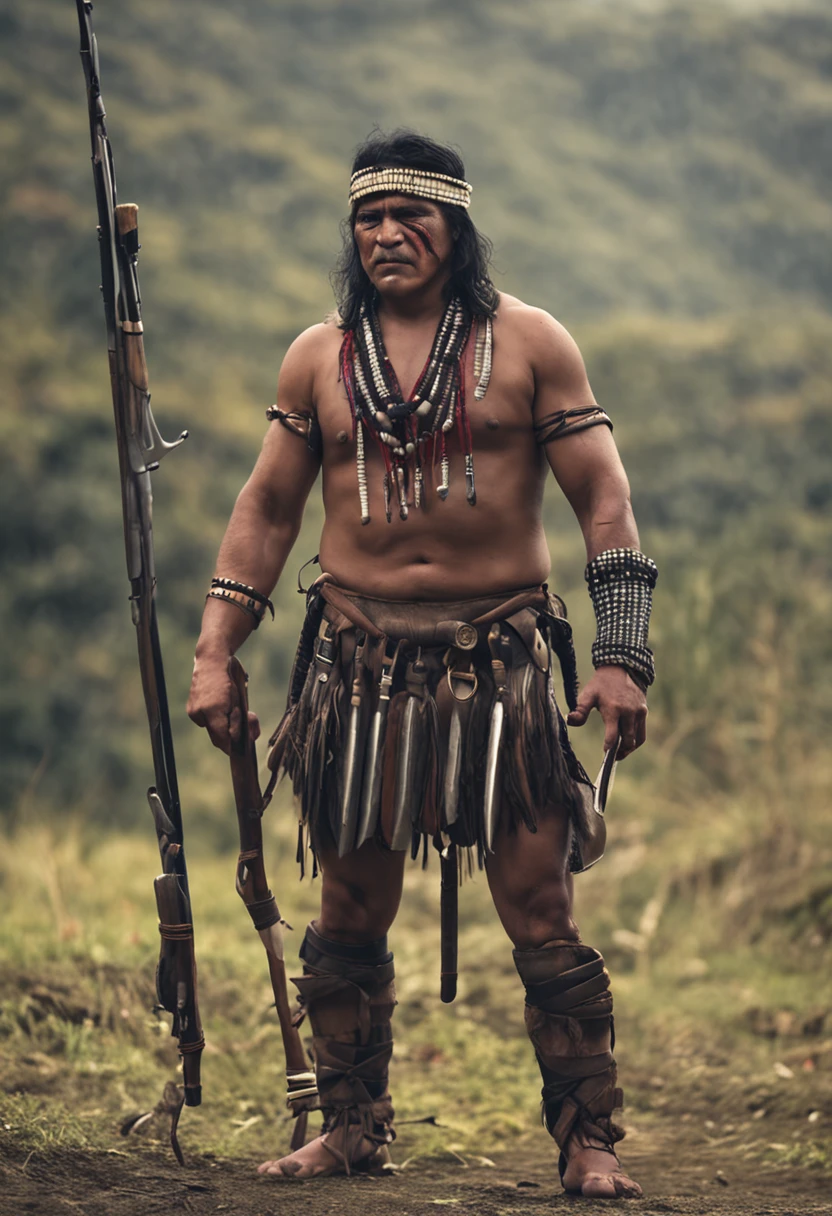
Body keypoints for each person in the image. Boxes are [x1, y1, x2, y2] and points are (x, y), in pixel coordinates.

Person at [187, 130, 656, 1200]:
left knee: (540, 905)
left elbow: (605, 499)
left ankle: (589, 1136)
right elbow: (266, 508)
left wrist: (621, 654)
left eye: (413, 217)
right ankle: (347, 1123)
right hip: (355, 667)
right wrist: (217, 651)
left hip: (502, 664)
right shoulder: (319, 355)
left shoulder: (530, 342)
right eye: (369, 219)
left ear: (456, 229)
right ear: (351, 234)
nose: (388, 235)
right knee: (349, 906)